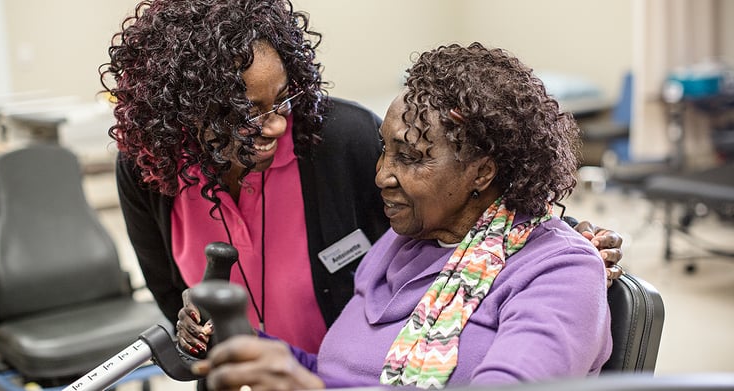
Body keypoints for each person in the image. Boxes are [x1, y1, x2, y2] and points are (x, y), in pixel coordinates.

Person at [100, 0, 623, 357]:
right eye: (246, 111)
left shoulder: (342, 138)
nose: (277, 123)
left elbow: (455, 195)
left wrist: (554, 237)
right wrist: (192, 330)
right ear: (186, 109)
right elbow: (174, 297)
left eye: (283, 97)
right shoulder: (150, 168)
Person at [192, 42, 612, 390]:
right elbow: (334, 374)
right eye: (384, 150)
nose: (381, 176)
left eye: (410, 158)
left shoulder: (559, 271)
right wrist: (243, 342)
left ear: (482, 172)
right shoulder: (402, 242)